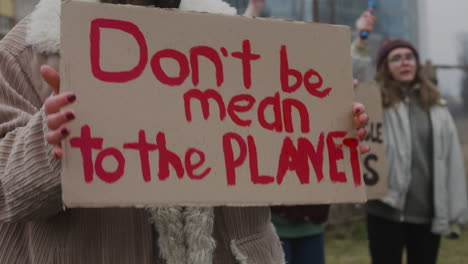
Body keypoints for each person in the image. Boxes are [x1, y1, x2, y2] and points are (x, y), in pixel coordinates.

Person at [0, 0, 370, 263]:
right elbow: (6, 192)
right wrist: (46, 142)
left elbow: (270, 163)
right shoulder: (25, 51)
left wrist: (325, 131)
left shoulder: (239, 39)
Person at [269, 10, 376, 264]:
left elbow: (351, 69)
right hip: (270, 221)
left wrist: (361, 38)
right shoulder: (266, 89)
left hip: (311, 221)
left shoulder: (323, 85)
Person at [363, 37, 468, 264]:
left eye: (409, 57)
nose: (404, 63)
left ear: (417, 64)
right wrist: (362, 40)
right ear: (385, 66)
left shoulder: (436, 105)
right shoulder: (376, 101)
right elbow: (355, 73)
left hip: (426, 214)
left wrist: (455, 209)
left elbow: (450, 159)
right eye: (396, 58)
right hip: (385, 210)